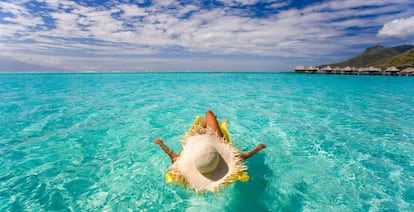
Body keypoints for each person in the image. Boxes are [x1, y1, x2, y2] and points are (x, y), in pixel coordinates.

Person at [154, 110, 265, 192]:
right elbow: (246, 155)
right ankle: (208, 123)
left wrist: (161, 144)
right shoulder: (230, 155)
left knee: (202, 123)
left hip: (203, 144)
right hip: (215, 141)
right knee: (208, 114)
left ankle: (205, 125)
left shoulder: (178, 161)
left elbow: (169, 153)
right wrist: (258, 148)